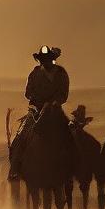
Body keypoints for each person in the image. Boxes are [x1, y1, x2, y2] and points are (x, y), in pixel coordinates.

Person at [9, 45, 70, 178]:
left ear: (52, 59)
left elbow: (64, 93)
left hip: (54, 109)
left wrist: (53, 102)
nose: (45, 62)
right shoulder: (35, 73)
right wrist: (36, 101)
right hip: (36, 109)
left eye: (48, 59)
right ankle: (14, 170)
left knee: (70, 136)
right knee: (21, 136)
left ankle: (72, 169)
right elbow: (28, 92)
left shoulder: (61, 73)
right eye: (43, 59)